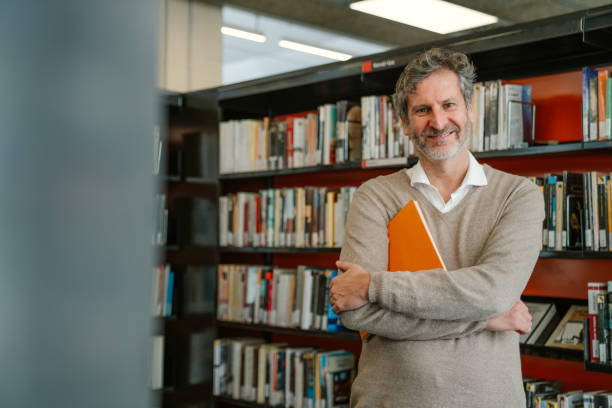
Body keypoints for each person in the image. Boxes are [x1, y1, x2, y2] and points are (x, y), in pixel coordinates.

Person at [328, 48, 544, 407]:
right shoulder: (375, 196)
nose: (439, 122)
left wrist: (374, 285)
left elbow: (493, 293)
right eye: (422, 110)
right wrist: (484, 320)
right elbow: (357, 311)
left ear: (470, 109)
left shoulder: (517, 195)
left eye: (448, 105)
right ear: (404, 122)